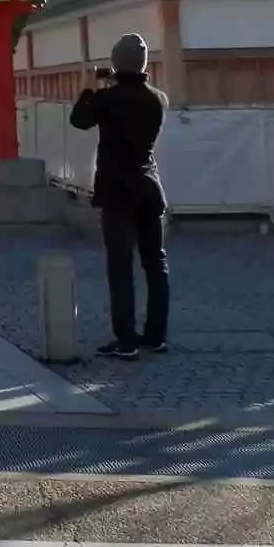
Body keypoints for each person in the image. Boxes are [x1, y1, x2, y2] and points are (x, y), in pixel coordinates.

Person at [71, 35, 170, 360]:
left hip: (116, 190)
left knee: (120, 265)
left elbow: (79, 120)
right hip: (148, 185)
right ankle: (156, 336)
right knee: (155, 262)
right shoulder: (159, 99)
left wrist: (89, 85)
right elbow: (134, 95)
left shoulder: (106, 99)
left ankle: (126, 339)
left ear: (115, 63)